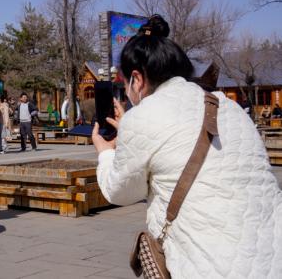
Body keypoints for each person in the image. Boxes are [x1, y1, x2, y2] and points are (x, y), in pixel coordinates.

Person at [92, 15, 282, 277]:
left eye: (124, 84)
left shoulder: (143, 115)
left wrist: (105, 153)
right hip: (272, 255)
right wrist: (131, 131)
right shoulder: (228, 105)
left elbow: (120, 191)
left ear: (136, 79)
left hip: (211, 265)